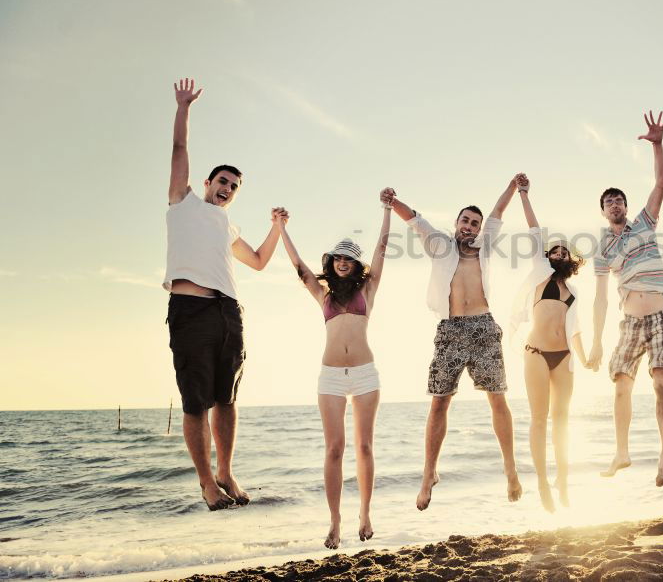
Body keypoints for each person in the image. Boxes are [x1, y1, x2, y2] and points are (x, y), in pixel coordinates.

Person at [163, 78, 287, 510]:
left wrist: (277, 228)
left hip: (229, 312)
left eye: (234, 186)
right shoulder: (184, 202)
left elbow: (257, 261)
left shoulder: (228, 226)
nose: (227, 188)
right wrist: (184, 107)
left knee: (227, 400)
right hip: (190, 309)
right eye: (223, 181)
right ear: (208, 181)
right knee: (196, 402)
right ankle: (205, 483)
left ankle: (226, 472)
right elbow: (179, 151)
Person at [385, 178, 523, 511]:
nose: (471, 226)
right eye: (466, 221)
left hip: (484, 328)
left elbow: (499, 211)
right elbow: (415, 220)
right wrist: (393, 201)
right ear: (456, 224)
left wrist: (512, 186)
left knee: (497, 399)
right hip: (450, 329)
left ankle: (510, 468)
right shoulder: (440, 245)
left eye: (475, 223)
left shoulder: (486, 246)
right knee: (438, 403)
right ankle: (429, 472)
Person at [276, 189, 393, 549]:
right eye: (338, 258)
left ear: (357, 265)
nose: (343, 262)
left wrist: (386, 210)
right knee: (334, 450)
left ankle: (366, 514)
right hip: (329, 376)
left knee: (365, 447)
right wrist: (281, 227)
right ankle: (335, 521)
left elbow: (382, 249)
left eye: (349, 259)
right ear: (332, 263)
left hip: (364, 374)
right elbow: (298, 266)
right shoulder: (323, 295)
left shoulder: (368, 290)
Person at [590, 110, 663, 487]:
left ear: (626, 207)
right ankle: (622, 452)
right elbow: (599, 299)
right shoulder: (602, 249)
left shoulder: (644, 223)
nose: (614, 204)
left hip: (661, 315)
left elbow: (660, 183)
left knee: (660, 382)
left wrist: (658, 145)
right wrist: (596, 340)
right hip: (629, 322)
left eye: (619, 200)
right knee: (621, 384)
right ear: (603, 210)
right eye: (609, 201)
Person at [509, 174, 594, 512]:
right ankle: (542, 481)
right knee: (539, 418)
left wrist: (586, 358)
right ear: (548, 256)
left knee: (562, 420)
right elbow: (534, 231)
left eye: (563, 251)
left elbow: (576, 330)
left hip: (565, 358)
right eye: (553, 250)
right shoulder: (538, 275)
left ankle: (563, 481)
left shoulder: (574, 292)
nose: (558, 254)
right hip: (536, 353)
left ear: (570, 259)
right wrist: (524, 195)